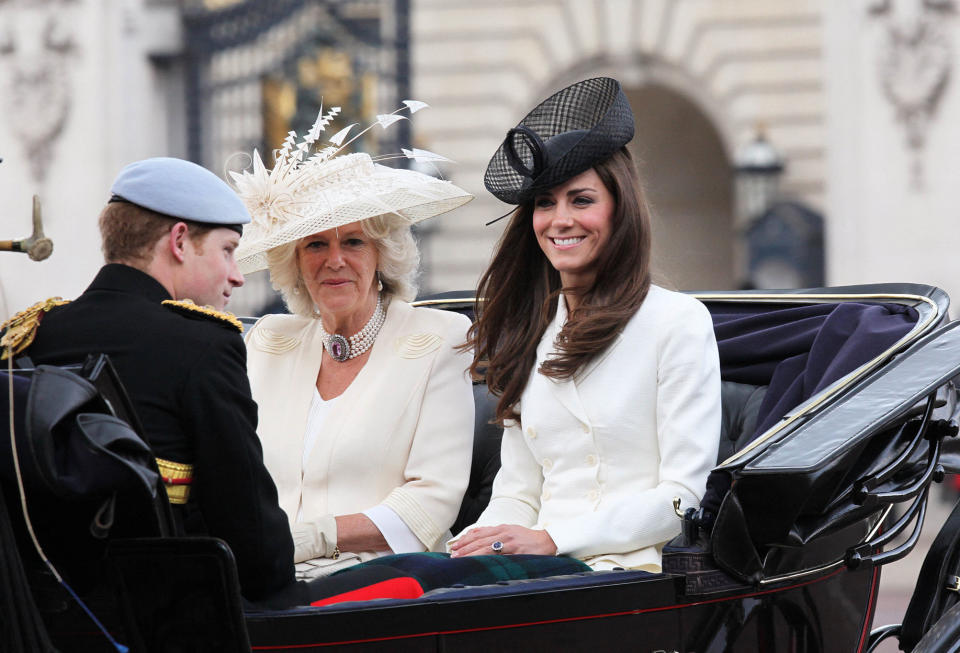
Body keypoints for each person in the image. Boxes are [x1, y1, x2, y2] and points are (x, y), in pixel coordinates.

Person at [0, 157, 407, 606]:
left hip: (44, 616)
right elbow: (255, 549)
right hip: (181, 619)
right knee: (414, 577)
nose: (236, 274)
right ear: (179, 241)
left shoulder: (27, 334)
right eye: (228, 250)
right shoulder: (201, 343)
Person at [447, 77, 721, 573]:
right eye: (545, 203)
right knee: (398, 583)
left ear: (621, 208)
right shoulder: (529, 332)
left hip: (621, 569)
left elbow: (682, 497)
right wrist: (474, 546)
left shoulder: (677, 323)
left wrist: (552, 539)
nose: (559, 220)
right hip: (536, 565)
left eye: (582, 200)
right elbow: (516, 492)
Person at [231, 106, 478, 580]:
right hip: (264, 578)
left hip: (383, 582)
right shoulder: (266, 343)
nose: (335, 260)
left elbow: (431, 502)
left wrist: (316, 536)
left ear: (383, 254)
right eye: (315, 244)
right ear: (295, 262)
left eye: (354, 242)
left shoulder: (438, 340)